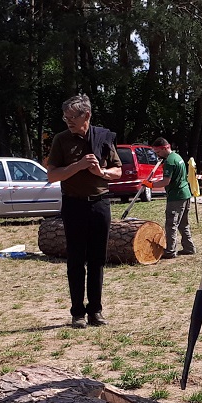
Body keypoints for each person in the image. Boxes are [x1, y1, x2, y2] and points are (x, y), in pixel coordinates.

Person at [45, 94, 122, 327]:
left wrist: (102, 173)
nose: (67, 121)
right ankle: (77, 312)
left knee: (97, 259)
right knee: (76, 260)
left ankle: (95, 311)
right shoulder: (61, 140)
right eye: (65, 116)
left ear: (86, 115)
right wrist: (78, 166)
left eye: (72, 117)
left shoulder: (103, 137)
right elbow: (52, 175)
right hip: (73, 204)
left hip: (100, 204)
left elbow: (117, 171)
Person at [153, 135, 195, 258]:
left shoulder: (170, 161)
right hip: (185, 194)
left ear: (166, 148)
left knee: (171, 224)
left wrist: (150, 185)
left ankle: (170, 251)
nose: (158, 155)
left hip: (176, 197)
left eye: (158, 151)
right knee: (183, 223)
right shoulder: (177, 157)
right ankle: (189, 248)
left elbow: (166, 181)